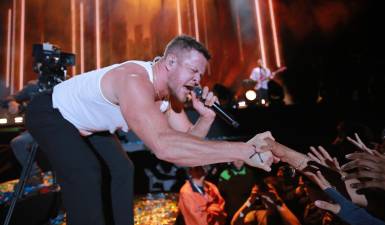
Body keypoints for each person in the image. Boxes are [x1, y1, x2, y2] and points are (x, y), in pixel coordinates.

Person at [26, 35, 276, 225]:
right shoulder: (135, 80)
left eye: (201, 73)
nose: (198, 79)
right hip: (51, 112)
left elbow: (188, 146)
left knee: (123, 168)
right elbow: (165, 148)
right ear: (170, 62)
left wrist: (207, 118)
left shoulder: (170, 97)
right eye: (193, 70)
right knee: (87, 172)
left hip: (89, 125)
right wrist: (243, 151)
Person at [5, 80, 44, 185]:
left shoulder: (67, 81)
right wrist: (11, 102)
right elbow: (9, 98)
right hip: (39, 129)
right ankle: (35, 175)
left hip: (62, 127)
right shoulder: (33, 86)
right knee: (18, 142)